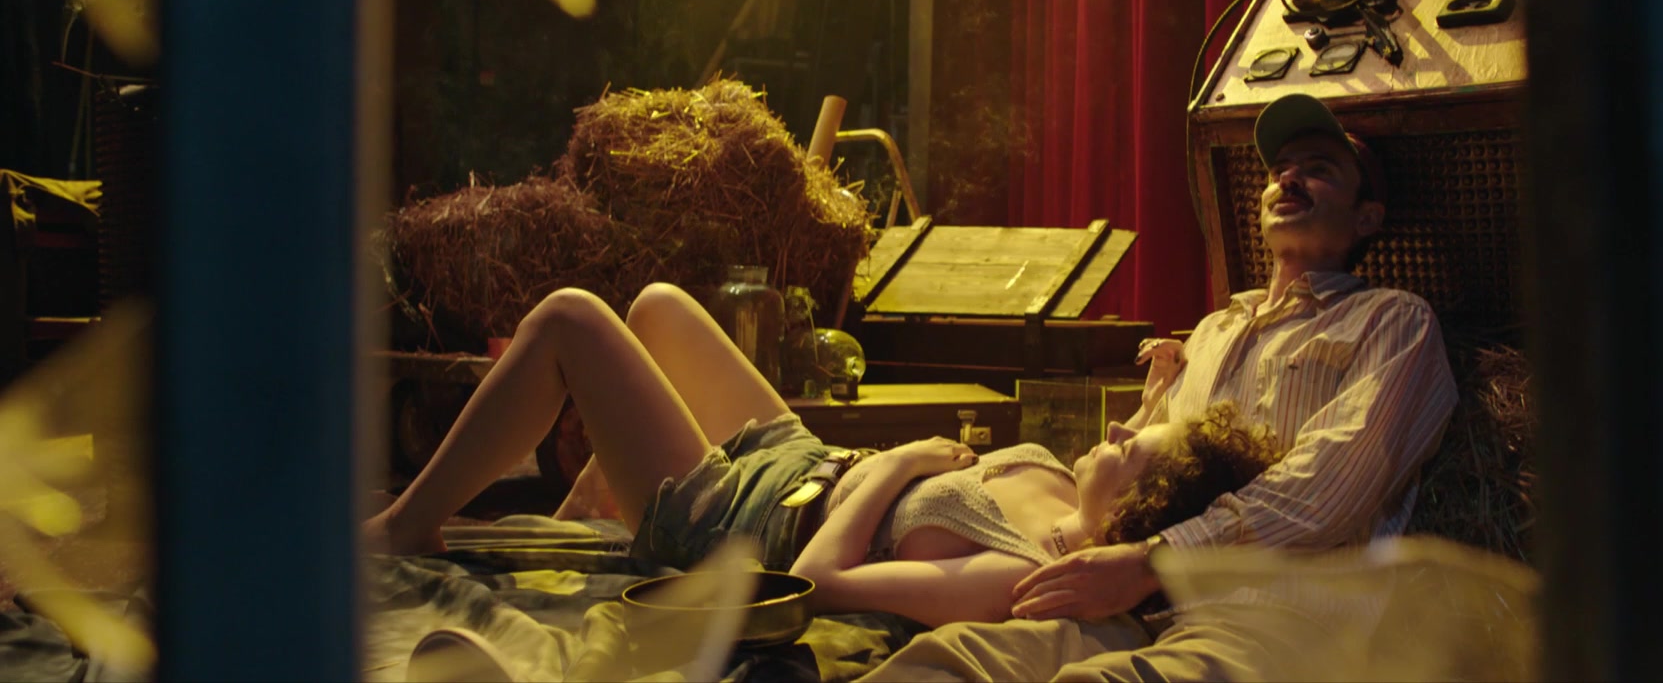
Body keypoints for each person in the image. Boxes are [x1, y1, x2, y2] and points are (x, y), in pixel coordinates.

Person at [859, 92, 1460, 680]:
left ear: (1367, 217)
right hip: (1142, 604)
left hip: (1273, 616)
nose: (1289, 179)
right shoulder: (1214, 329)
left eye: (1320, 170)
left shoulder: (1392, 321)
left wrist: (1155, 559)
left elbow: (1325, 490)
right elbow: (1140, 476)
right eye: (1279, 170)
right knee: (954, 658)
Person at [363, 279, 1281, 629]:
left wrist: (896, 465)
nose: (1120, 431)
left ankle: (408, 525)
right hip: (803, 457)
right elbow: (1155, 433)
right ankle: (589, 519)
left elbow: (820, 583)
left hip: (741, 521)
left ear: (1139, 512)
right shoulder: (1064, 481)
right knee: (659, 308)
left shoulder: (1022, 574)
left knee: (570, 319)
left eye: (1137, 446)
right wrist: (1166, 385)